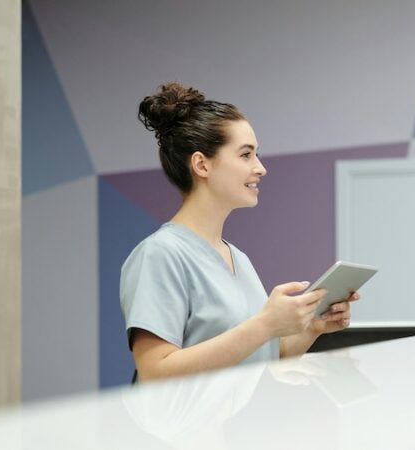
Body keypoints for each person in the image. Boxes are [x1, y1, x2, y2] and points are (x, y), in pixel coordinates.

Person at [121, 82, 358, 382]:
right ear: (201, 165)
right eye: (246, 155)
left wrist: (314, 326)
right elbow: (155, 372)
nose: (260, 168)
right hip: (186, 429)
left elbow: (262, 355)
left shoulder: (238, 259)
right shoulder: (160, 254)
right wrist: (265, 325)